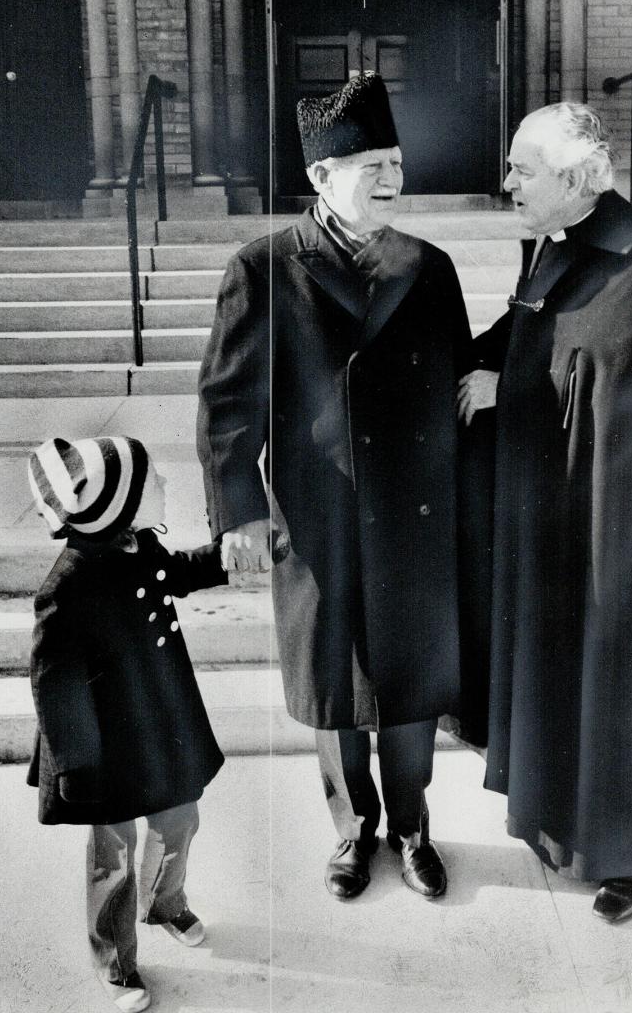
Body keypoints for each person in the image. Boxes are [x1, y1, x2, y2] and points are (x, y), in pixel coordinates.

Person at [197, 73, 472, 901]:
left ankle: (415, 828)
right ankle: (354, 831)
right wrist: (238, 514)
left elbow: (460, 385)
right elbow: (225, 403)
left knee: (414, 683)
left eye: (395, 162)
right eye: (370, 166)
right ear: (320, 178)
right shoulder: (265, 268)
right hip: (319, 518)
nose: (392, 179)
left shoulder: (429, 267)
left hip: (416, 515)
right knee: (336, 684)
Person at [458, 102, 632, 923]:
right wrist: (475, 359)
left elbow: (615, 388)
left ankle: (630, 856)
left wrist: (511, 389)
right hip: (555, 506)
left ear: (572, 179)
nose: (508, 182)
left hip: (617, 525)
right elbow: (533, 330)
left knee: (614, 672)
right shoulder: (560, 245)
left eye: (523, 169)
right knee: (559, 668)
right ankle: (560, 826)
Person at [27, 436, 227, 1012]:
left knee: (179, 817)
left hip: (161, 720)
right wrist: (74, 767)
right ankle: (115, 958)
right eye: (154, 479)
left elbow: (179, 571)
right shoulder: (65, 587)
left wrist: (228, 557)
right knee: (113, 852)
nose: (164, 484)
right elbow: (54, 683)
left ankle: (165, 903)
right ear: (120, 501)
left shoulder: (138, 545)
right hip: (102, 744)